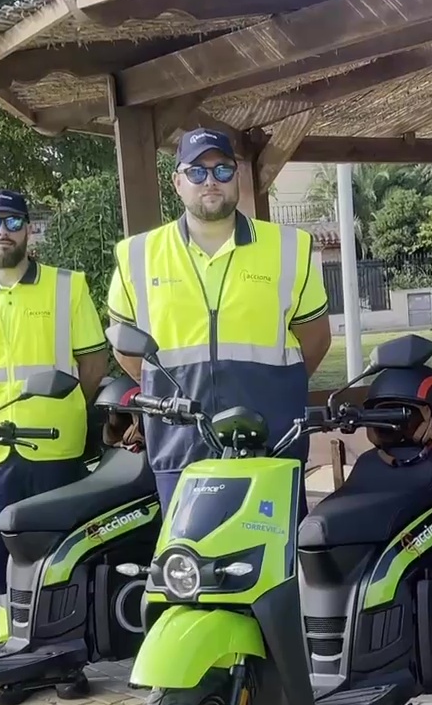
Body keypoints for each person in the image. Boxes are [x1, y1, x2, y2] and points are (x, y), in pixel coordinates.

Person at [0, 190, 109, 705]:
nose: (2, 230)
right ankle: (17, 662)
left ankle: (67, 660)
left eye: (12, 221)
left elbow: (91, 362)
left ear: (29, 229)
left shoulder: (66, 288)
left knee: (62, 554)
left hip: (55, 448)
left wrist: (68, 406)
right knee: (3, 562)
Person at [107, 128, 333, 507]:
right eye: (197, 172)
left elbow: (316, 338)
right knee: (187, 564)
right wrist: (173, 391)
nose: (210, 181)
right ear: (177, 182)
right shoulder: (136, 255)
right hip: (179, 447)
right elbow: (127, 350)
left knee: (272, 564)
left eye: (222, 171)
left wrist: (271, 391)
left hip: (271, 443)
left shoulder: (289, 247)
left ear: (236, 177)